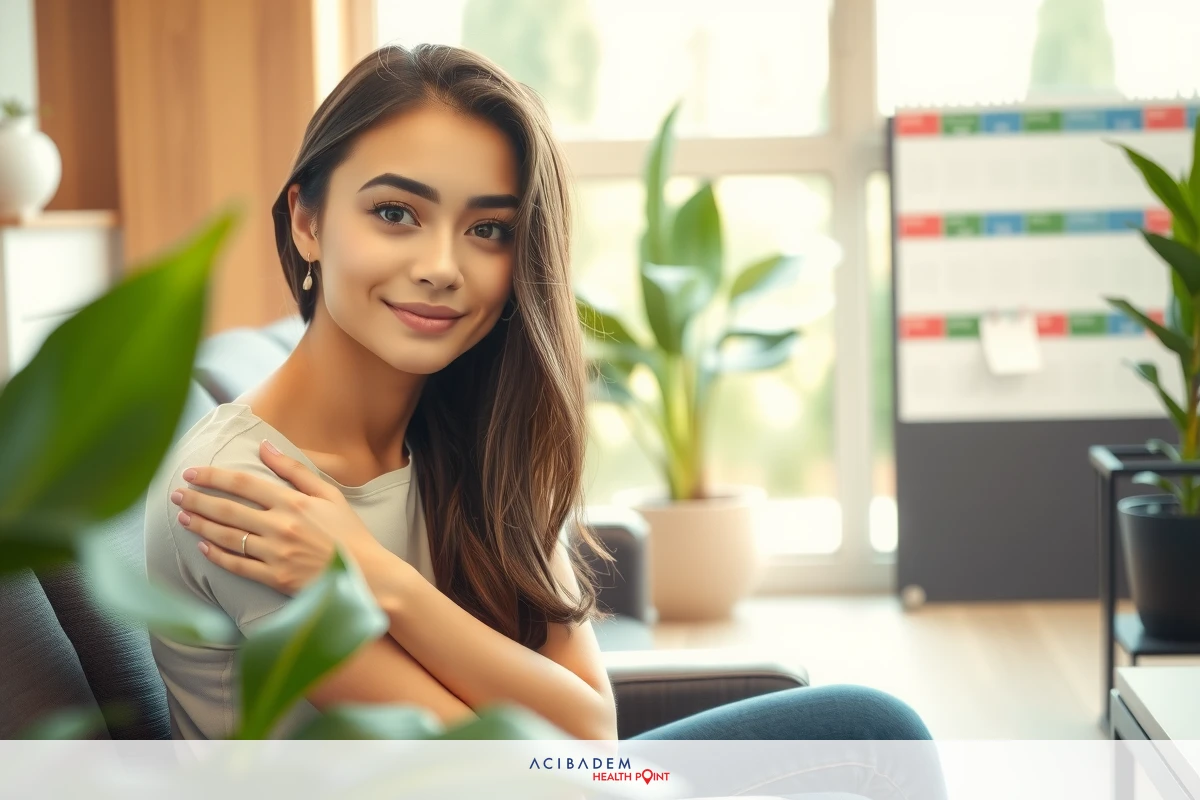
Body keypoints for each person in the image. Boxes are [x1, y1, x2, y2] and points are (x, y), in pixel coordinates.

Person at [145, 42, 943, 796]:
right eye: (396, 213)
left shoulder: (470, 432)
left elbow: (591, 732)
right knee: (870, 738)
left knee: (875, 733)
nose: (441, 267)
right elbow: (521, 774)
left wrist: (373, 574)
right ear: (307, 222)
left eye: (488, 229)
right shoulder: (244, 491)